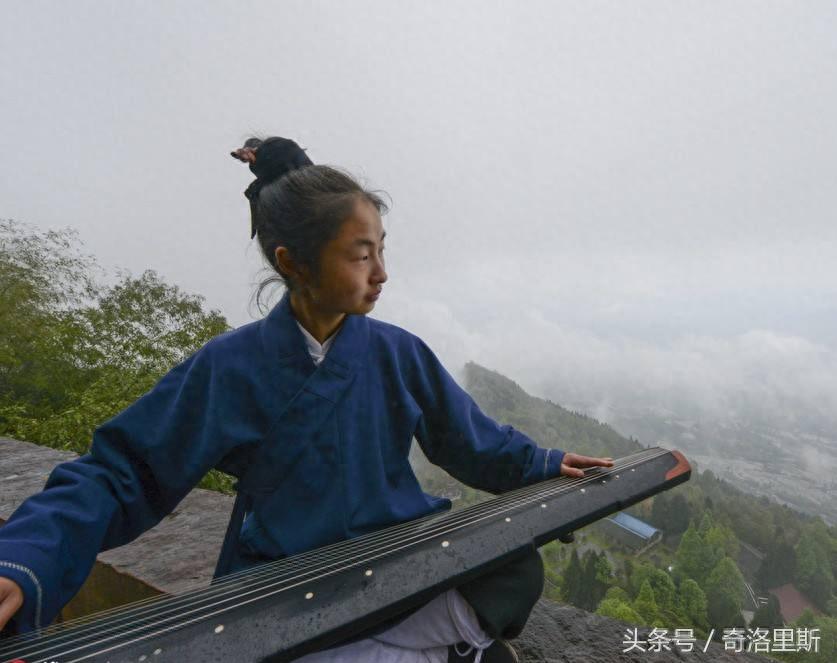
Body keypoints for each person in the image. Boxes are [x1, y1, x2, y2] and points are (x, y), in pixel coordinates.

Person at [0, 136, 613, 662]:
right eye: (361, 254)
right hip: (291, 583)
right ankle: (423, 648)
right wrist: (25, 560)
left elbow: (471, 440)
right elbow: (122, 471)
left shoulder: (398, 353)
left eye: (382, 249)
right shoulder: (230, 367)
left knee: (515, 562)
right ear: (293, 262)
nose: (382, 272)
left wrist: (542, 463)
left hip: (397, 562)